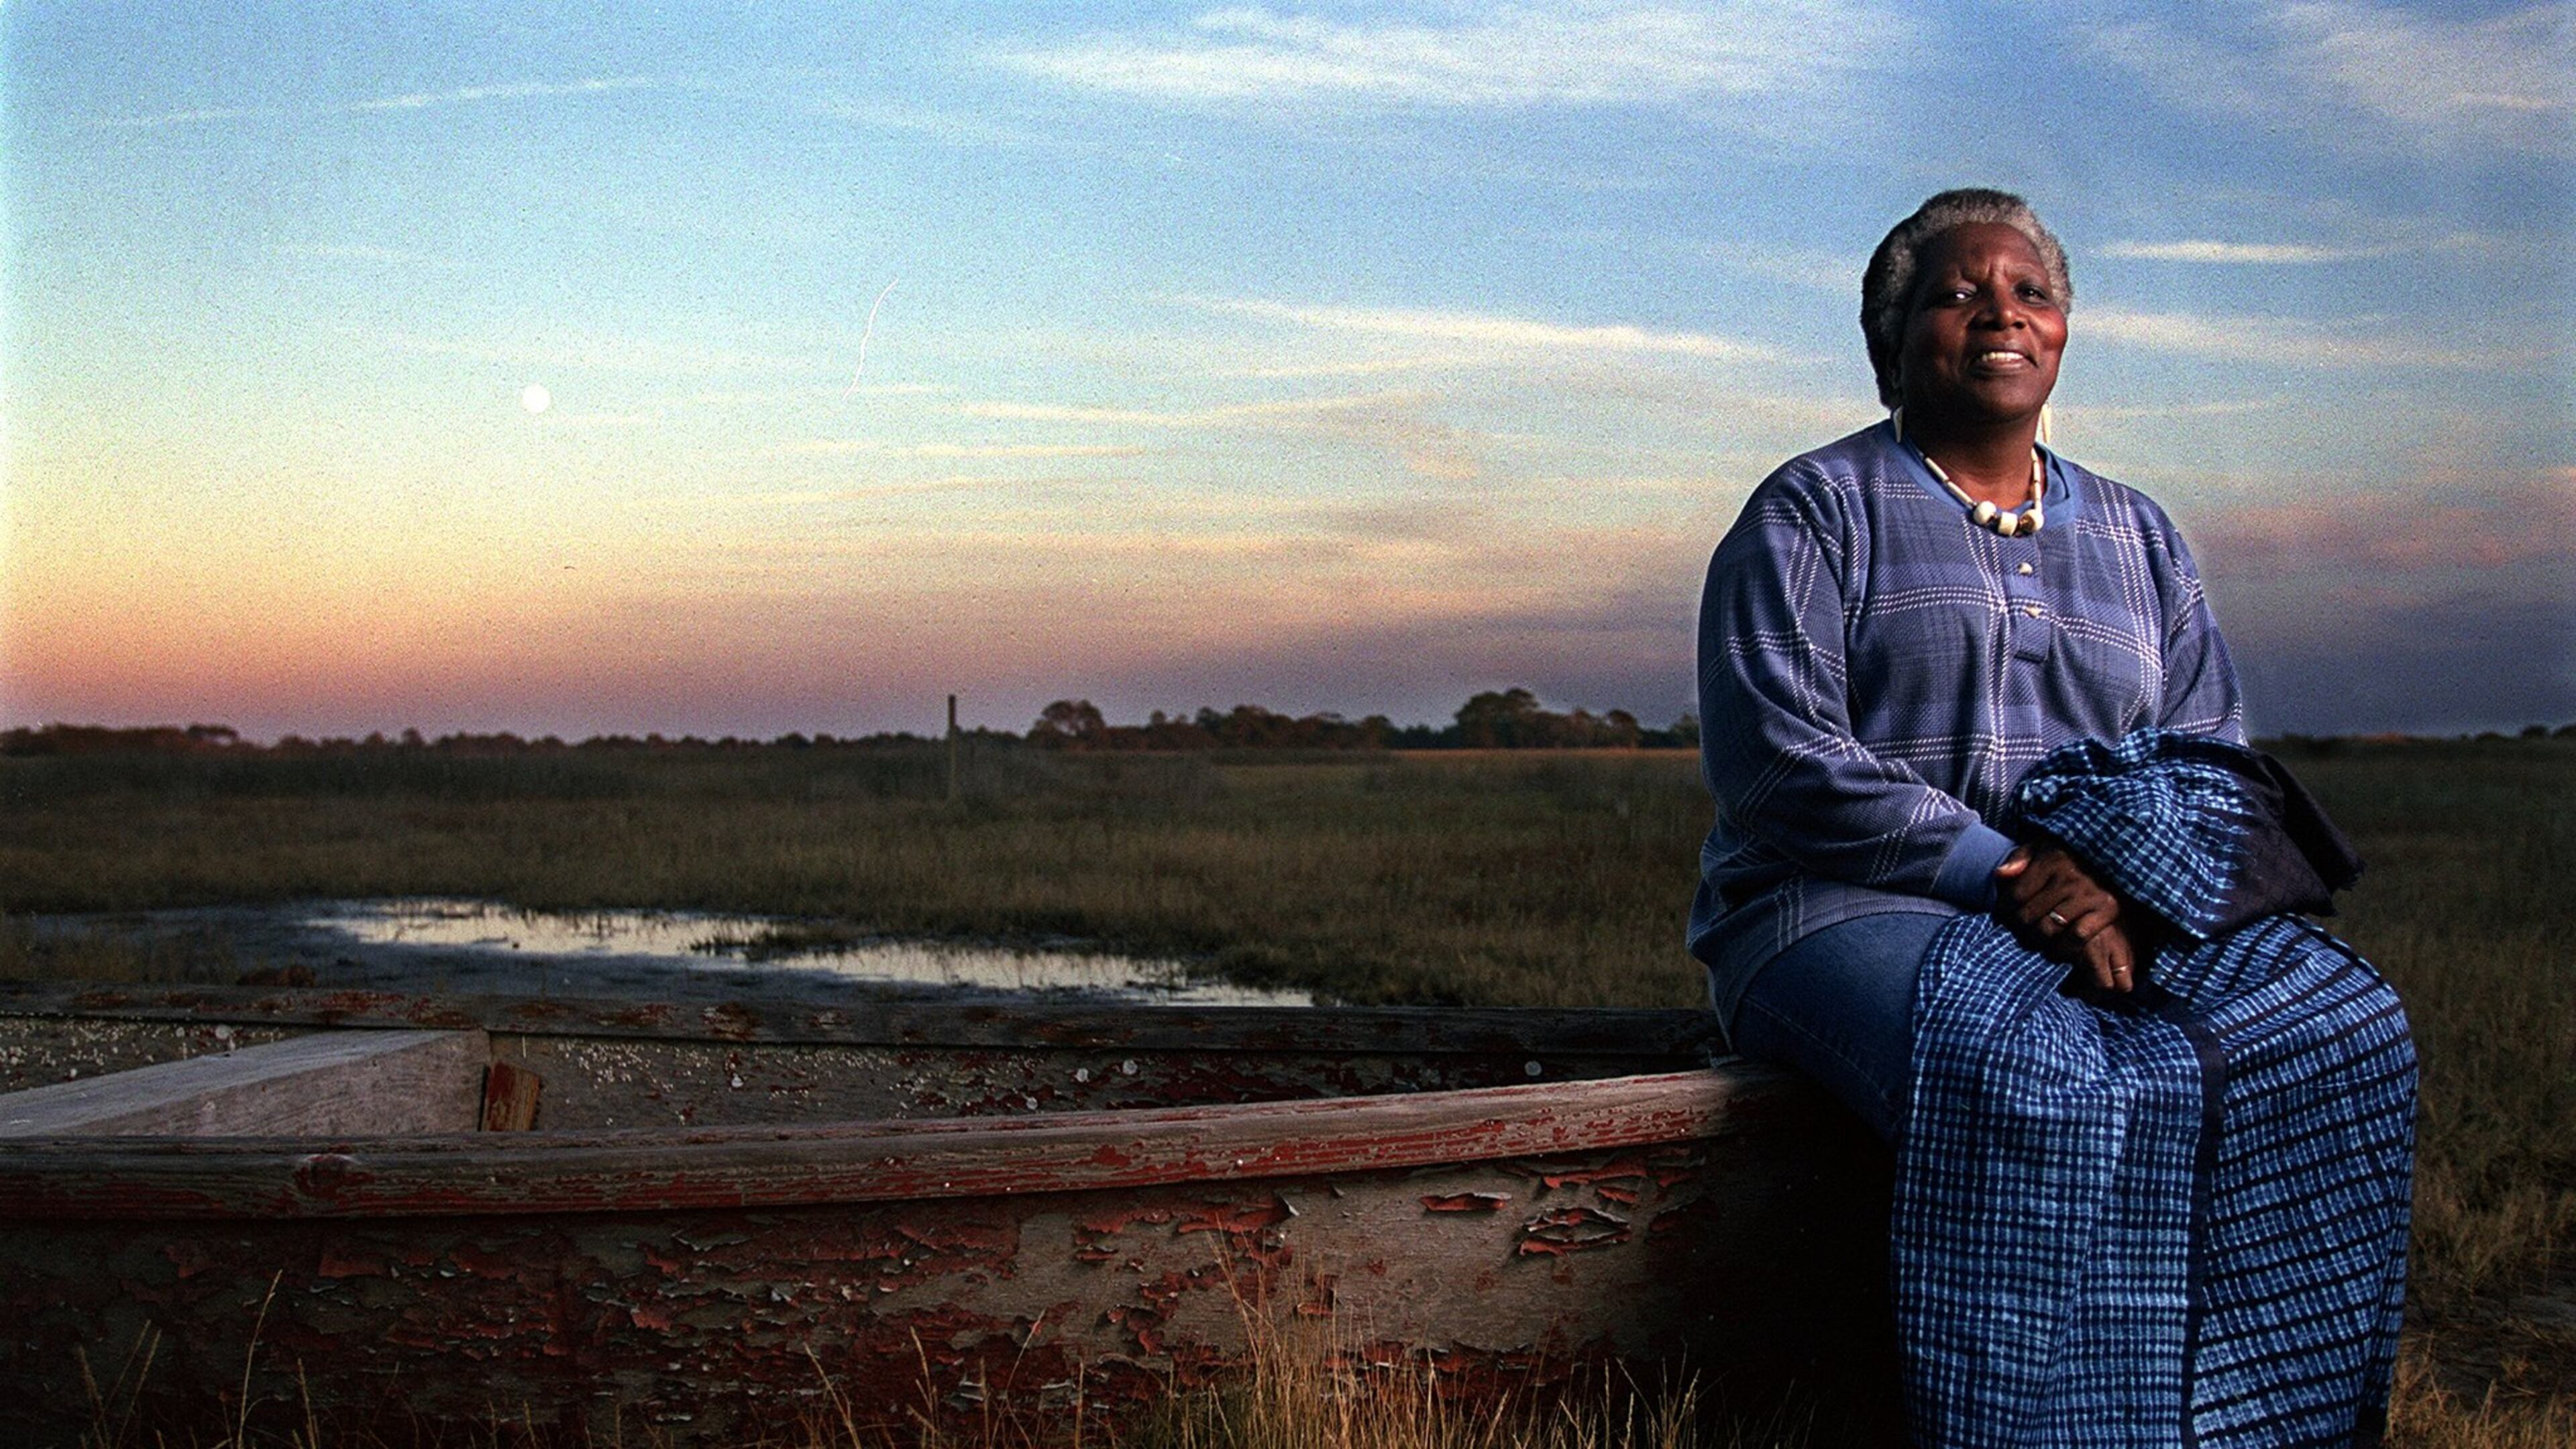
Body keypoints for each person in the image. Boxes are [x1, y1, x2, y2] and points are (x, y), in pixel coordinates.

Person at [1688, 189, 2415, 1445]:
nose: (2000, 314)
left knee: (2344, 1029)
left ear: (2064, 332)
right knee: (2044, 1079)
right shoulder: (1814, 510)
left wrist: (2127, 883)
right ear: (1893, 337)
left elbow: (2208, 751)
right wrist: (2008, 867)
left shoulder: (2140, 533)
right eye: (1958, 293)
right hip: (1838, 908)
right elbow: (1778, 759)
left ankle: (2249, 1423)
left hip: (2109, 910)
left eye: (2029, 292)